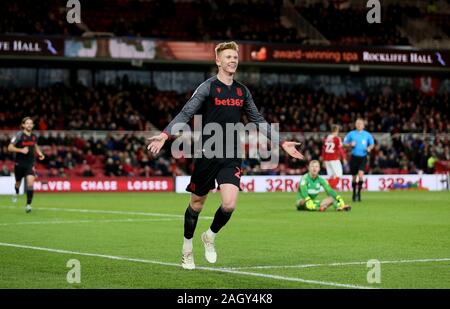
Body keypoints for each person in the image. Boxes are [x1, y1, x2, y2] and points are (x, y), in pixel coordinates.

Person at [147, 41, 304, 270]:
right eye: (228, 57)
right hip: (207, 152)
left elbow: (257, 120)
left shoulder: (241, 90)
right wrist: (165, 134)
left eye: (235, 57)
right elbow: (186, 112)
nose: (233, 60)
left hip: (232, 154)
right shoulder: (207, 87)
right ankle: (187, 247)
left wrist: (282, 143)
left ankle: (209, 236)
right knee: (197, 204)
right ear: (218, 61)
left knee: (229, 205)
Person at [7, 117, 45, 213]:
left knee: (30, 184)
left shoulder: (34, 136)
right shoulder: (19, 135)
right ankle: (16, 193)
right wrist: (21, 150)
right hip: (19, 164)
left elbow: (35, 145)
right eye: (27, 123)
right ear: (23, 125)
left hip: (30, 164)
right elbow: (9, 147)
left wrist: (40, 153)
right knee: (18, 183)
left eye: (31, 123)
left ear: (32, 125)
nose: (29, 125)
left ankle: (28, 205)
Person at [343, 119, 374, 202]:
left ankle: (359, 194)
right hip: (354, 157)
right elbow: (344, 143)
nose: (359, 125)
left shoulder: (367, 135)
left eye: (360, 123)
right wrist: (350, 144)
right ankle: (353, 193)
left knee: (360, 175)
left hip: (363, 157)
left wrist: (369, 148)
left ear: (363, 125)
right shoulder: (351, 134)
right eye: (357, 123)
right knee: (354, 177)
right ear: (355, 125)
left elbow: (372, 144)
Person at [321, 124, 346, 189]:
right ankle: (331, 187)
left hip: (327, 160)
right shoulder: (337, 138)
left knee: (331, 175)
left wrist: (323, 160)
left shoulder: (326, 139)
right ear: (336, 130)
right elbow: (340, 149)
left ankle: (331, 187)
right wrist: (344, 158)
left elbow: (323, 150)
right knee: (339, 175)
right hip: (334, 159)